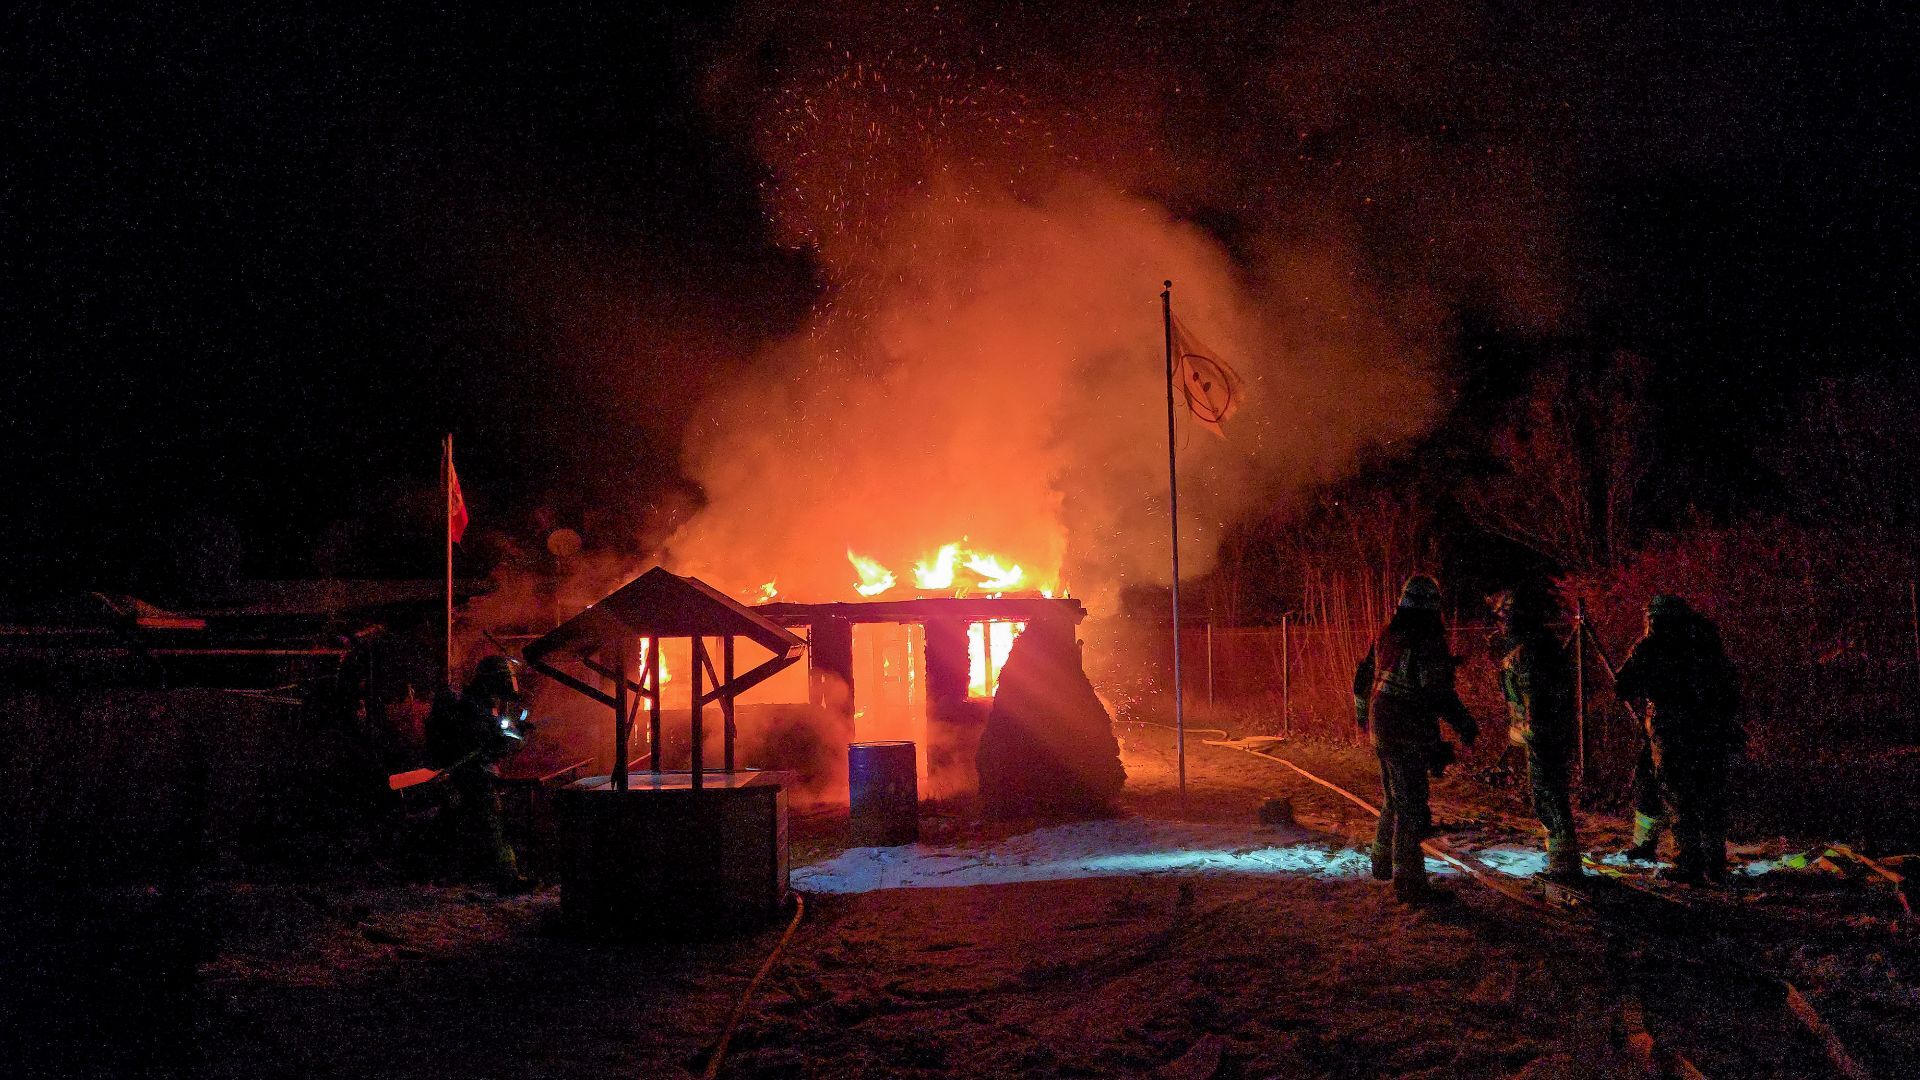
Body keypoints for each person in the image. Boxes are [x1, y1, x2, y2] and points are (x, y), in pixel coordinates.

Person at [1354, 575, 1479, 903]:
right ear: (1431, 608)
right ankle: (1409, 885)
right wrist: (1464, 725)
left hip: (1381, 727)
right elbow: (1437, 692)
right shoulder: (1427, 639)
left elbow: (1362, 678)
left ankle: (1382, 865)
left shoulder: (1387, 634)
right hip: (1406, 732)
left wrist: (1361, 718)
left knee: (1394, 800)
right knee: (1411, 809)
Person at [1613, 595, 1743, 885]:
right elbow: (1729, 686)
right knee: (1708, 792)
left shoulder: (1653, 645)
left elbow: (1622, 684)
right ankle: (1715, 863)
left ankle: (1689, 863)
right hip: (1712, 729)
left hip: (1671, 727)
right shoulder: (1706, 645)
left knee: (1677, 792)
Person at [1488, 584, 1582, 880]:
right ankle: (1563, 860)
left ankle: (1564, 866)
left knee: (1548, 795)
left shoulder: (1529, 652)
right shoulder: (1537, 645)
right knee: (1551, 794)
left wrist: (1532, 731)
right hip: (1544, 734)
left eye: (1504, 618)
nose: (1501, 625)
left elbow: (1533, 700)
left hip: (1542, 736)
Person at [424, 655, 530, 890]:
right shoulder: (473, 707)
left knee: (457, 823)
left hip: (471, 773)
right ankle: (507, 876)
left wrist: (511, 735)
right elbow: (485, 744)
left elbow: (496, 738)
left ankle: (441, 869)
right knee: (490, 819)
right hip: (469, 775)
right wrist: (509, 738)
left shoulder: (481, 704)